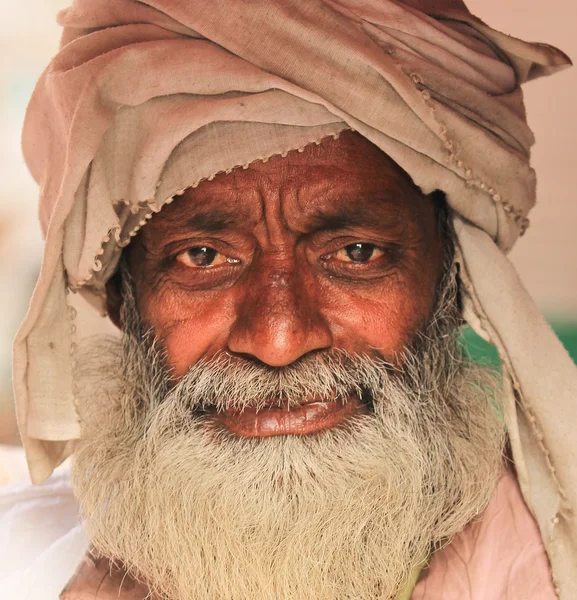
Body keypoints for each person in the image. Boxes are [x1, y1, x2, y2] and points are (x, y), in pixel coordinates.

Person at [1, 0, 576, 598]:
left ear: (454, 284)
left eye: (356, 253)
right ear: (125, 300)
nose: (278, 338)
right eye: (202, 257)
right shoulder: (21, 566)